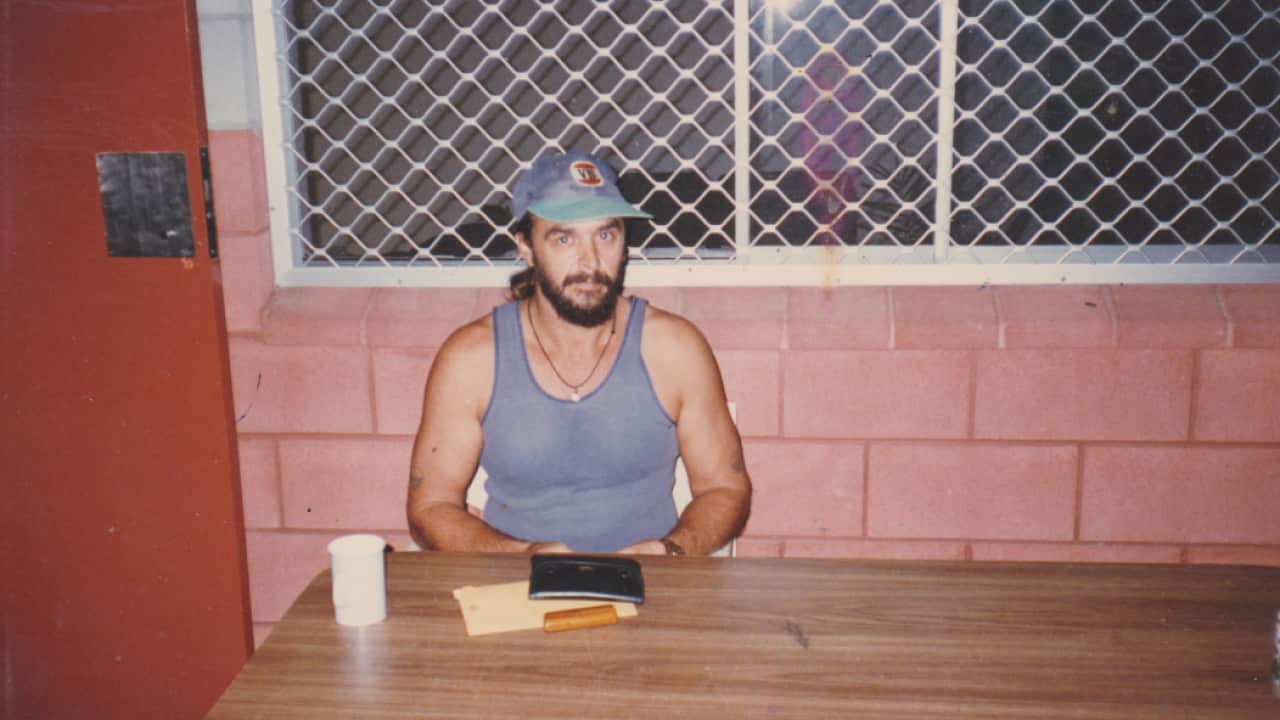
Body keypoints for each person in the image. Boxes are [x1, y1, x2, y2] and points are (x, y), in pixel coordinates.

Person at [407, 150, 750, 555]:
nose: (590, 262)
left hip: (651, 580)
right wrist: (518, 555)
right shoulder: (472, 359)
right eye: (564, 238)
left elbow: (725, 489)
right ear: (526, 246)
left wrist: (671, 551)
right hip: (515, 580)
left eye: (605, 236)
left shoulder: (674, 349)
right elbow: (430, 506)